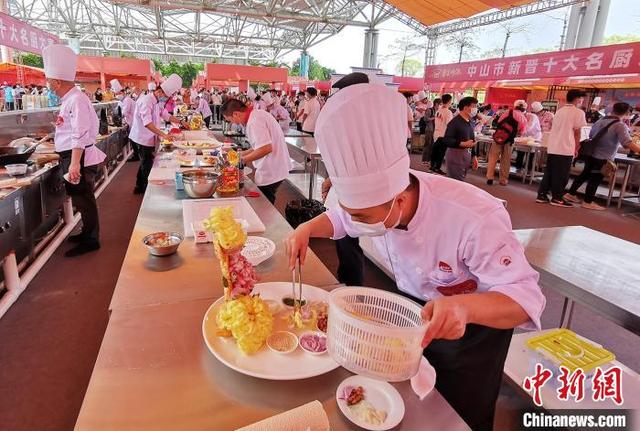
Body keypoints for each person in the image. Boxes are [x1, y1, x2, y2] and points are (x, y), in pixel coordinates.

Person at [284, 82, 544, 431]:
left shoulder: (472, 217)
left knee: (455, 418)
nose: (355, 220)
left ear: (399, 200)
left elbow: (524, 299)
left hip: (469, 336)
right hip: (408, 316)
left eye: (362, 216)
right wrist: (306, 230)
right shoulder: (376, 202)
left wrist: (464, 308)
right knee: (404, 407)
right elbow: (343, 218)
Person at [43, 44, 107, 257]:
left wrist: (73, 163)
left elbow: (79, 133)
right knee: (81, 199)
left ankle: (91, 239)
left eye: (50, 80)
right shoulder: (70, 99)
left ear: (58, 81)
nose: (49, 84)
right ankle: (87, 233)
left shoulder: (77, 99)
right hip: (73, 155)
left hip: (77, 156)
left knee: (84, 199)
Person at [565, 102, 640, 210]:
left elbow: (591, 135)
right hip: (603, 156)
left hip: (591, 153)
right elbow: (627, 143)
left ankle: (570, 194)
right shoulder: (620, 125)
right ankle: (588, 201)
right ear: (627, 113)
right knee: (595, 178)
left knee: (585, 174)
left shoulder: (600, 120)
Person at [221, 98, 292, 204]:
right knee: (265, 200)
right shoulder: (257, 115)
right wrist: (241, 154)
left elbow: (266, 148)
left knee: (264, 203)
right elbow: (259, 145)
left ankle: (268, 219)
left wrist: (241, 160)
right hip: (276, 166)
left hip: (272, 169)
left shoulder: (254, 121)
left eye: (230, 120)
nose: (232, 123)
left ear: (236, 114)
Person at [129, 74, 184, 194]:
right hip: (141, 137)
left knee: (146, 160)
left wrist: (181, 121)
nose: (165, 98)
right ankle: (145, 188)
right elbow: (147, 123)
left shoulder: (157, 101)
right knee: (147, 162)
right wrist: (163, 135)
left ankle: (139, 185)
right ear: (159, 91)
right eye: (165, 95)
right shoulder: (146, 100)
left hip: (150, 136)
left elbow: (165, 115)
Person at [536, 89, 587, 207]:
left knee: (549, 172)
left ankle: (542, 195)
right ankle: (557, 197)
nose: (582, 101)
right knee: (562, 174)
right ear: (578, 99)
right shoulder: (578, 113)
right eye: (581, 98)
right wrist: (577, 147)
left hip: (553, 146)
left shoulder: (559, 111)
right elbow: (577, 132)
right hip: (566, 147)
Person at [488, 100, 528, 186]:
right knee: (505, 160)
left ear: (515, 106)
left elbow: (498, 123)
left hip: (498, 137)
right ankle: (503, 180)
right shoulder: (523, 118)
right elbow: (522, 132)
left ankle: (489, 178)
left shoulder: (506, 112)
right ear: (524, 109)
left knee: (493, 158)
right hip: (509, 140)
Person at [443, 96, 479, 181]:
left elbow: (472, 140)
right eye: (474, 106)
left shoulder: (469, 121)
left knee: (461, 180)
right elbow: (447, 140)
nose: (476, 109)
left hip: (466, 155)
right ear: (466, 107)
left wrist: (474, 157)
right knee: (455, 182)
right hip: (455, 155)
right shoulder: (454, 122)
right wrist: (463, 144)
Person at [430, 94, 453, 175]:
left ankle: (432, 166)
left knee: (435, 151)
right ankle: (437, 168)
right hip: (443, 134)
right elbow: (449, 125)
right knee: (441, 153)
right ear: (449, 101)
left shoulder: (438, 110)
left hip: (436, 133)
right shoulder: (448, 112)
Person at [421, 98, 440, 166]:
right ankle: (424, 160)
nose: (440, 106)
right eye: (439, 104)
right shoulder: (429, 110)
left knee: (432, 145)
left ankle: (429, 160)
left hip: (435, 130)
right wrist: (434, 118)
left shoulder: (438, 111)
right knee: (427, 145)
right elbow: (425, 119)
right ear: (436, 104)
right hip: (429, 129)